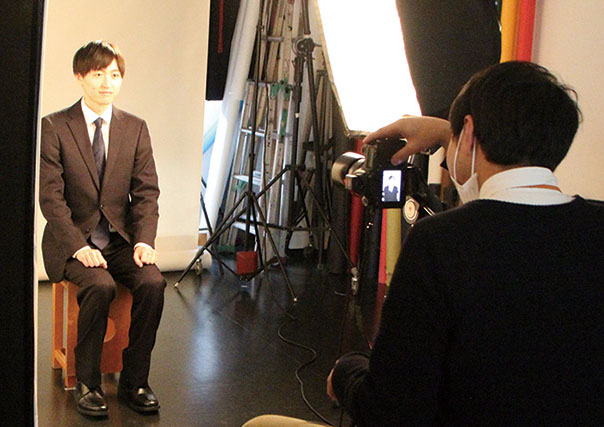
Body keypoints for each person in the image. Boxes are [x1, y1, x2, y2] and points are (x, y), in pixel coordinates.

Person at [246, 62, 604, 426]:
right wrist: (454, 132)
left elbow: (390, 412)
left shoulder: (441, 242)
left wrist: (346, 373)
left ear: (467, 132)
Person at [39, 40, 166, 418]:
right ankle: (88, 382)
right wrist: (78, 247)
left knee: (153, 283)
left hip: (118, 239)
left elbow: (146, 192)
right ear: (79, 77)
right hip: (71, 240)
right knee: (100, 285)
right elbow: (51, 198)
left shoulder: (135, 128)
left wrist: (143, 241)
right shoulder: (55, 126)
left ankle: (135, 380)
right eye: (98, 74)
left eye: (114, 75)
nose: (107, 83)